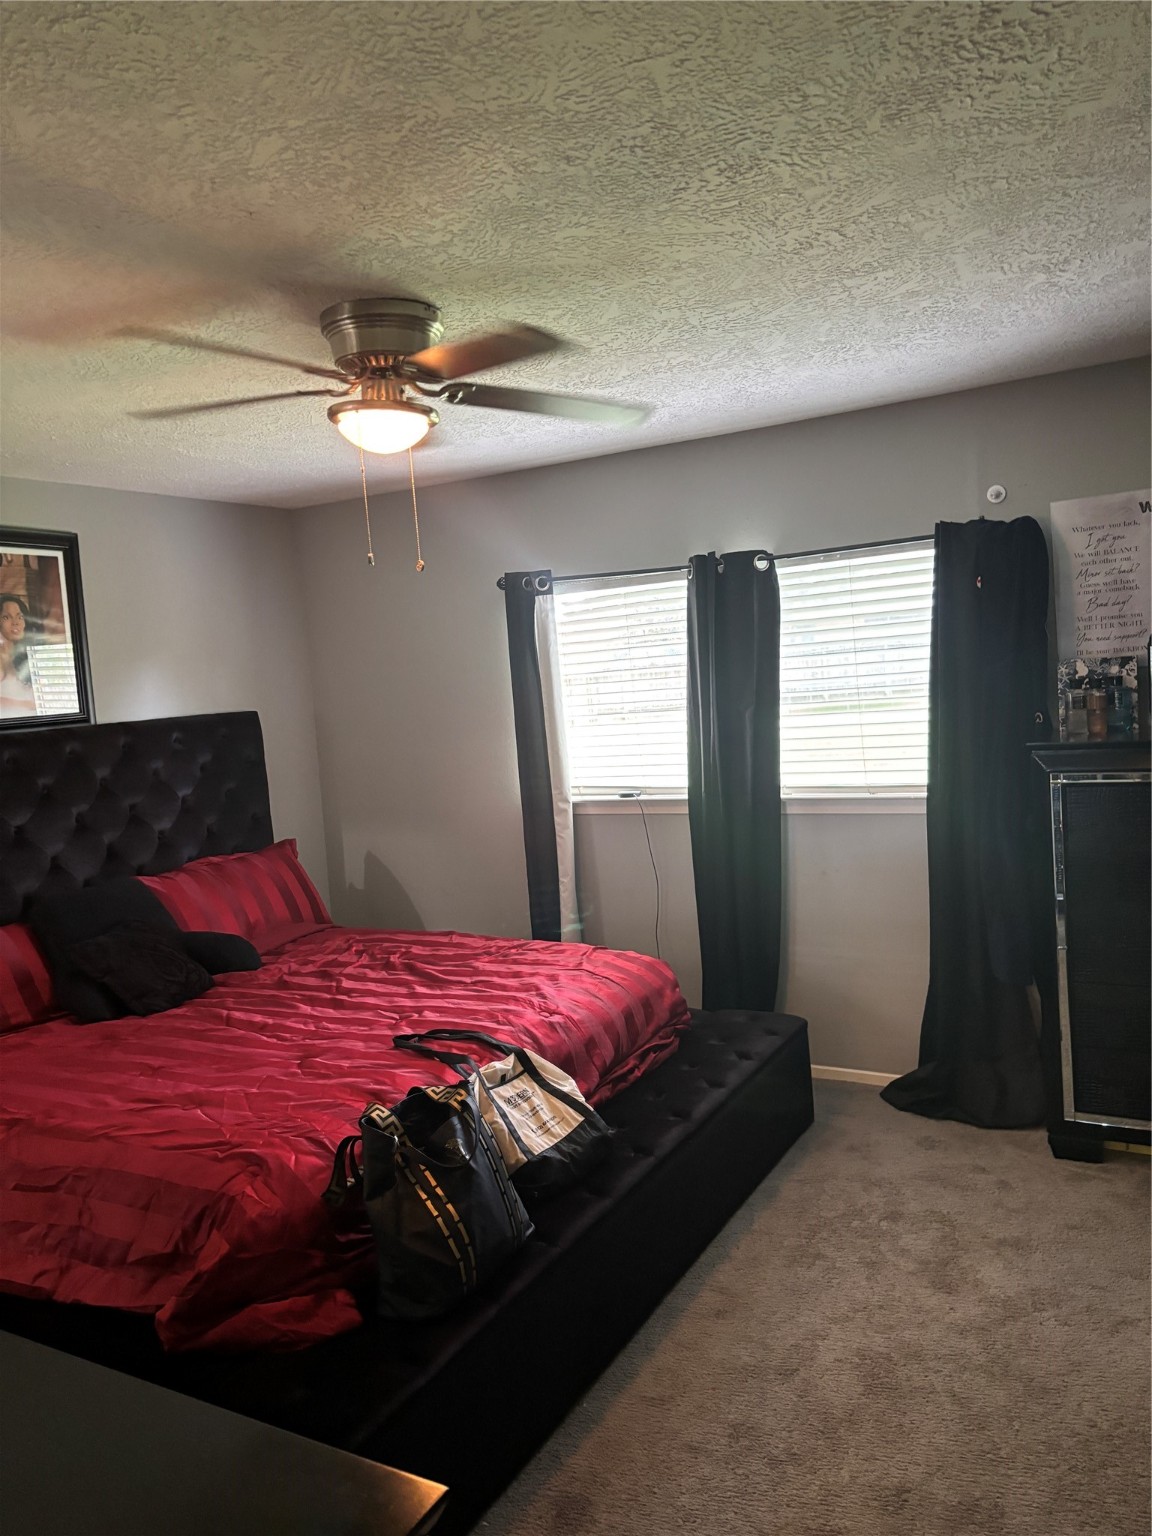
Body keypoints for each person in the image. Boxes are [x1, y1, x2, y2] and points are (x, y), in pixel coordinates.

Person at [0, 593, 36, 716]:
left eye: (20, 617)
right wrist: (26, 704)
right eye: (6, 617)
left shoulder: (26, 655)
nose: (15, 622)